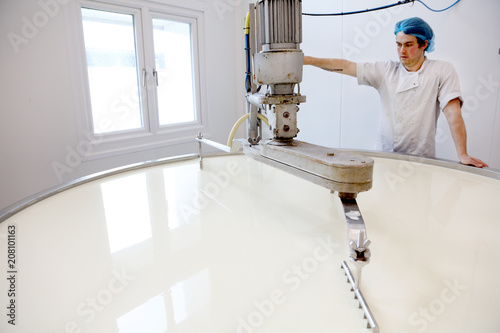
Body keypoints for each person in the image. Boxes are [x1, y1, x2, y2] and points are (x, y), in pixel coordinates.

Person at [303, 17, 488, 168]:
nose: (401, 51)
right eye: (398, 44)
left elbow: (453, 113)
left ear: (424, 44)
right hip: (385, 157)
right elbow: (346, 66)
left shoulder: (442, 70)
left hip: (421, 161)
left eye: (408, 45)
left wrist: (462, 154)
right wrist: (308, 60)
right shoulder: (386, 71)